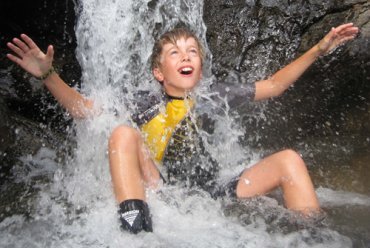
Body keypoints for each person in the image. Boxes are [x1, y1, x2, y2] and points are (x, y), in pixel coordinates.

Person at [6, 23, 359, 234]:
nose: (186, 56)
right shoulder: (142, 100)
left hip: (210, 192)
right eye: (175, 54)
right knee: (122, 134)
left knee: (289, 160)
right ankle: (135, 233)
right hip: (162, 190)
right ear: (159, 72)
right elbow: (85, 110)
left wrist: (320, 47)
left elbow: (274, 85)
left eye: (192, 51)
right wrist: (49, 76)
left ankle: (313, 237)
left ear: (200, 67)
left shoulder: (214, 95)